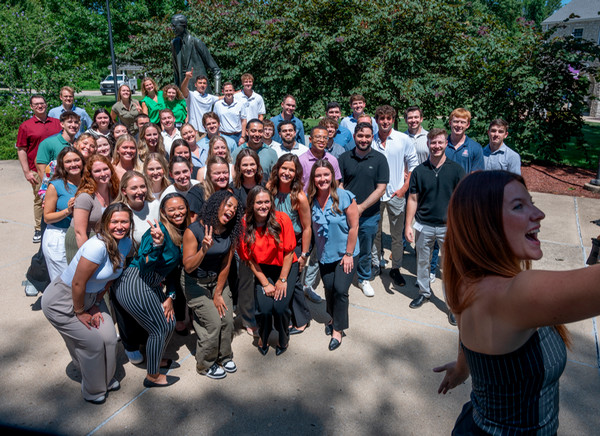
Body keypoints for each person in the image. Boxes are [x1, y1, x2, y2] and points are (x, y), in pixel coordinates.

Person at [433, 170, 592, 435]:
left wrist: (463, 367)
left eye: (530, 201)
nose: (539, 213)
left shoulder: (465, 279)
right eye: (519, 206)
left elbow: (465, 330)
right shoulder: (517, 294)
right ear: (484, 222)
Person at [42, 203, 133, 404]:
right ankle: (93, 390)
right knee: (92, 343)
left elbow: (113, 274)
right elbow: (77, 282)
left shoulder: (125, 243)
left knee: (109, 338)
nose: (120, 226)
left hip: (92, 297)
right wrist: (82, 311)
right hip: (63, 300)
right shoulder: (97, 246)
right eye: (114, 221)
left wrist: (97, 302)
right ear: (105, 223)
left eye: (124, 221)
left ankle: (106, 380)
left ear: (130, 223)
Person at [114, 193, 189, 387]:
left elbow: (172, 273)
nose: (177, 212)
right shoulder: (158, 231)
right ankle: (153, 376)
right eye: (171, 209)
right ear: (163, 212)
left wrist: (170, 296)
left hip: (152, 283)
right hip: (135, 281)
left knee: (169, 322)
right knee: (160, 328)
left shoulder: (181, 232)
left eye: (181, 207)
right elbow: (144, 265)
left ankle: (155, 357)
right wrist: (157, 244)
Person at [404, 129, 465, 323]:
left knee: (450, 267)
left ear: (445, 143)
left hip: (449, 227)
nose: (436, 146)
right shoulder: (420, 171)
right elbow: (413, 199)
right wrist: (408, 225)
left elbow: (463, 199)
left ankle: (453, 304)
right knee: (422, 261)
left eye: (440, 142)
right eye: (433, 143)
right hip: (423, 225)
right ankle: (424, 292)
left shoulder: (456, 170)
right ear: (428, 144)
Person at [182, 190, 242, 378]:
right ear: (216, 205)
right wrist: (203, 250)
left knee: (227, 319)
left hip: (217, 281)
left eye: (235, 208)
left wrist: (218, 293)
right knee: (213, 324)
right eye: (228, 205)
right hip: (195, 282)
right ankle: (205, 364)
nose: (231, 210)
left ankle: (224, 356)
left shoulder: (231, 231)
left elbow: (226, 264)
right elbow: (188, 266)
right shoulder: (194, 230)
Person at [238, 186, 299, 356]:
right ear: (251, 204)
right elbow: (248, 258)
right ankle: (263, 337)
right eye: (259, 202)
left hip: (285, 266)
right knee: (264, 309)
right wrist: (265, 283)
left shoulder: (282, 219)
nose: (263, 206)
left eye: (266, 202)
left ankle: (283, 336)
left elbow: (289, 252)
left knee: (279, 308)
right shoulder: (244, 224)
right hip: (262, 269)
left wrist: (282, 280)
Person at [307, 160, 359, 350]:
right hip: (324, 254)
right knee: (328, 288)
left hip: (346, 253)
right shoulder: (310, 199)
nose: (323, 179)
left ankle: (338, 329)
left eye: (326, 175)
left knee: (340, 289)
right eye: (318, 175)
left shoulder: (344, 196)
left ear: (333, 176)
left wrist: (349, 253)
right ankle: (332, 318)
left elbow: (354, 227)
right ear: (313, 178)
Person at [338, 123, 389, 297]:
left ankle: (363, 278)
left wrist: (361, 207)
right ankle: (343, 276)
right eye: (360, 136)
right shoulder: (344, 158)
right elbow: (339, 184)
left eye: (367, 136)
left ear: (371, 137)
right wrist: (351, 207)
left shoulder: (380, 159)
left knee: (366, 248)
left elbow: (381, 188)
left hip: (369, 214)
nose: (364, 140)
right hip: (346, 213)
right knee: (344, 246)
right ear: (354, 137)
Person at [370, 105, 419, 286]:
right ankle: (376, 264)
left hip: (396, 194)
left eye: (389, 118)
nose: (385, 122)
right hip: (376, 195)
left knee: (397, 236)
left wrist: (405, 188)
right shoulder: (371, 141)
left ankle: (396, 268)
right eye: (382, 118)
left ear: (393, 120)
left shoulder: (403, 139)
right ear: (377, 120)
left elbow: (413, 165)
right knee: (375, 234)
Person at [267, 154, 312, 335]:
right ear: (277, 169)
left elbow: (307, 228)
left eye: (291, 170)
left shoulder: (299, 197)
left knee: (292, 283)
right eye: (283, 168)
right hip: (274, 243)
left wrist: (304, 255)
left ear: (296, 174)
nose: (286, 172)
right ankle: (296, 316)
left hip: (294, 244)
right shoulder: (270, 189)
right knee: (289, 282)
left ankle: (301, 321)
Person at [16, 95, 62, 243]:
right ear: (31, 107)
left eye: (42, 103)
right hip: (37, 169)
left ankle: (56, 223)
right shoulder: (26, 126)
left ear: (46, 104)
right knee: (39, 198)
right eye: (36, 104)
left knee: (59, 196)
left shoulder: (57, 123)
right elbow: (21, 149)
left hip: (59, 168)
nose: (39, 106)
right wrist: (26, 172)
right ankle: (39, 228)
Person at [231, 148, 264, 336]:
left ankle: (261, 312)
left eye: (252, 164)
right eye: (245, 165)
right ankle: (248, 318)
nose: (249, 168)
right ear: (239, 167)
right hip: (244, 242)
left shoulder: (264, 183)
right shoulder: (234, 189)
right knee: (246, 281)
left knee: (262, 278)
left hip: (265, 240)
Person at [65, 155, 120, 263]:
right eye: (97, 171)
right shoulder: (85, 197)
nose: (103, 174)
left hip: (102, 241)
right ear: (90, 174)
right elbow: (79, 232)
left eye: (105, 169)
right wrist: (88, 257)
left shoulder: (113, 191)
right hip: (83, 241)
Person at [42, 147, 84, 280]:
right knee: (63, 282)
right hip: (59, 236)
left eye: (77, 160)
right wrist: (67, 211)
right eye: (68, 162)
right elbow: (47, 217)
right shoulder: (56, 185)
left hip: (80, 235)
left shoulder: (88, 182)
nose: (73, 164)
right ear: (62, 165)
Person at [171, 14, 221, 94]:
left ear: (183, 26)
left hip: (200, 92)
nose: (172, 28)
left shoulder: (196, 42)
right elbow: (176, 72)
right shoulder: (174, 44)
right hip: (183, 93)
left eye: (174, 26)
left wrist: (217, 93)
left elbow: (216, 70)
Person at [36, 111, 81, 179]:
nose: (73, 125)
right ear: (62, 124)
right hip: (56, 185)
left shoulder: (80, 144)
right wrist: (50, 188)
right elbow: (41, 170)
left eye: (76, 122)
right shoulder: (48, 143)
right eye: (69, 122)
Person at [445, 108, 484, 173]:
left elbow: (476, 176)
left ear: (467, 125)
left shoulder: (475, 148)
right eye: (456, 121)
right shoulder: (440, 146)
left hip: (466, 183)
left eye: (463, 122)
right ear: (450, 123)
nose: (459, 125)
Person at [238, 73, 266, 143]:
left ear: (252, 83)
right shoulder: (237, 97)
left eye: (250, 82)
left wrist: (257, 128)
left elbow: (261, 115)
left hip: (253, 130)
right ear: (242, 83)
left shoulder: (258, 98)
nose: (248, 84)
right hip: (239, 130)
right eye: (246, 82)